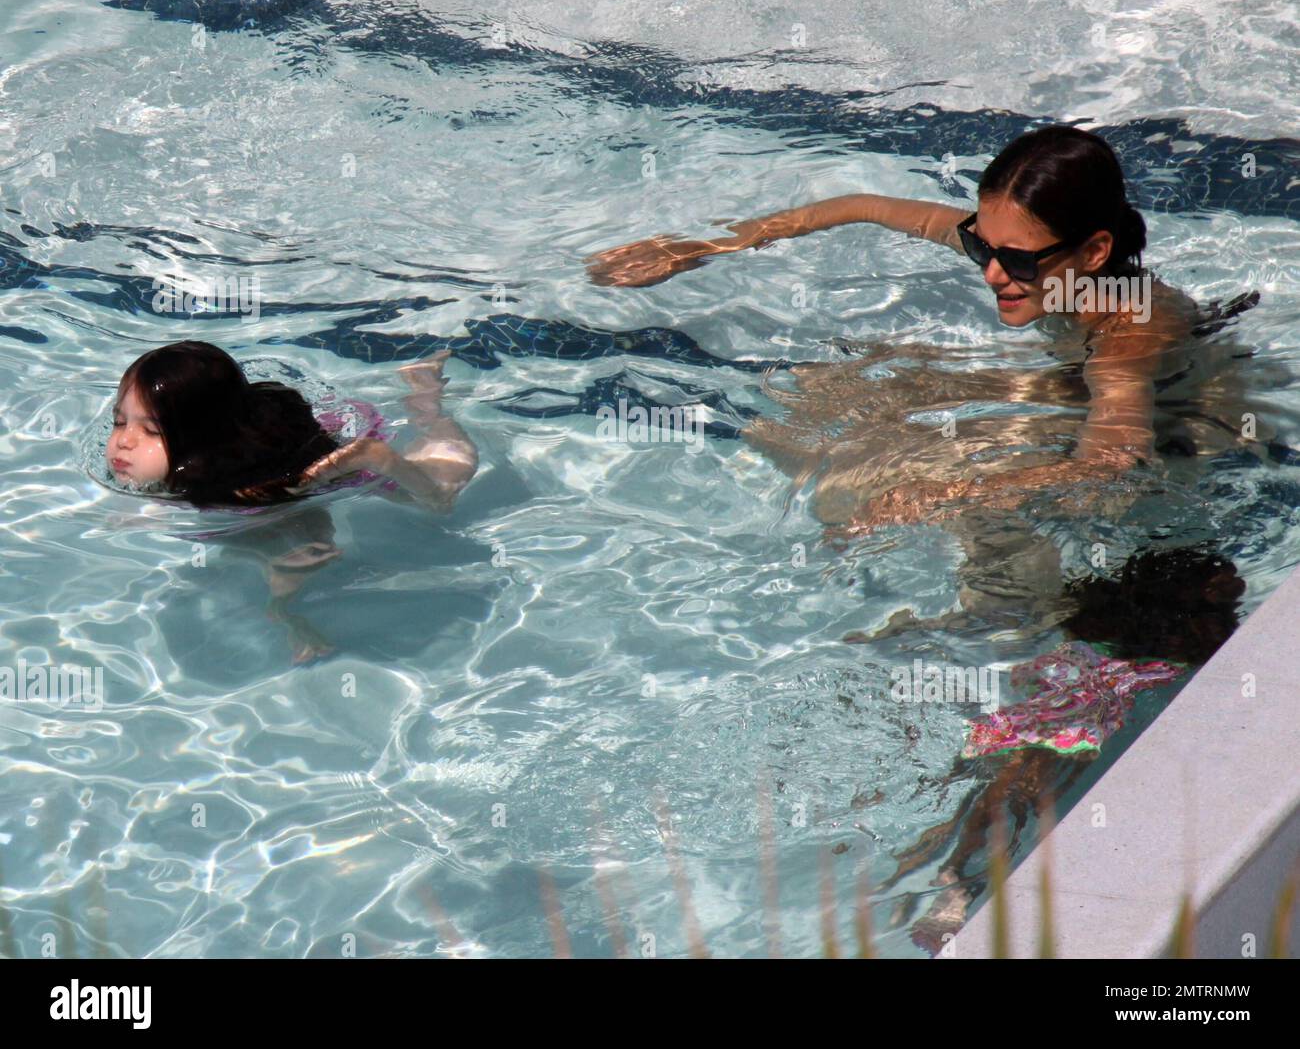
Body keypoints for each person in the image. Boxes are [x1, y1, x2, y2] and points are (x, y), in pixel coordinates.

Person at [586, 124, 1262, 630]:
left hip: (1185, 436)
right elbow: (861, 204)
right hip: (1072, 387)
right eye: (979, 246)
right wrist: (705, 246)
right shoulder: (1033, 255)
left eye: (1016, 261)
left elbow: (1114, 460)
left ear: (1093, 252)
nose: (993, 274)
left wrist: (949, 493)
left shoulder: (1126, 332)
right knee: (831, 388)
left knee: (970, 491)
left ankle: (1012, 622)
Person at [876, 544, 1245, 953]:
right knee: (1016, 796)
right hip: (1079, 720)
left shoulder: (1100, 616)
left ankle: (919, 868)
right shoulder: (1181, 648)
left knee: (984, 786)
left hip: (1035, 706)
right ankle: (954, 885)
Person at [106, 340, 478, 662]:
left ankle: (427, 407)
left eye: (151, 430)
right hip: (266, 445)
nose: (124, 441)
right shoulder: (183, 474)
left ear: (202, 444)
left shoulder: (246, 492)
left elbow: (313, 528)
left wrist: (287, 610)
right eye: (119, 422)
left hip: (341, 464)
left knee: (442, 494)